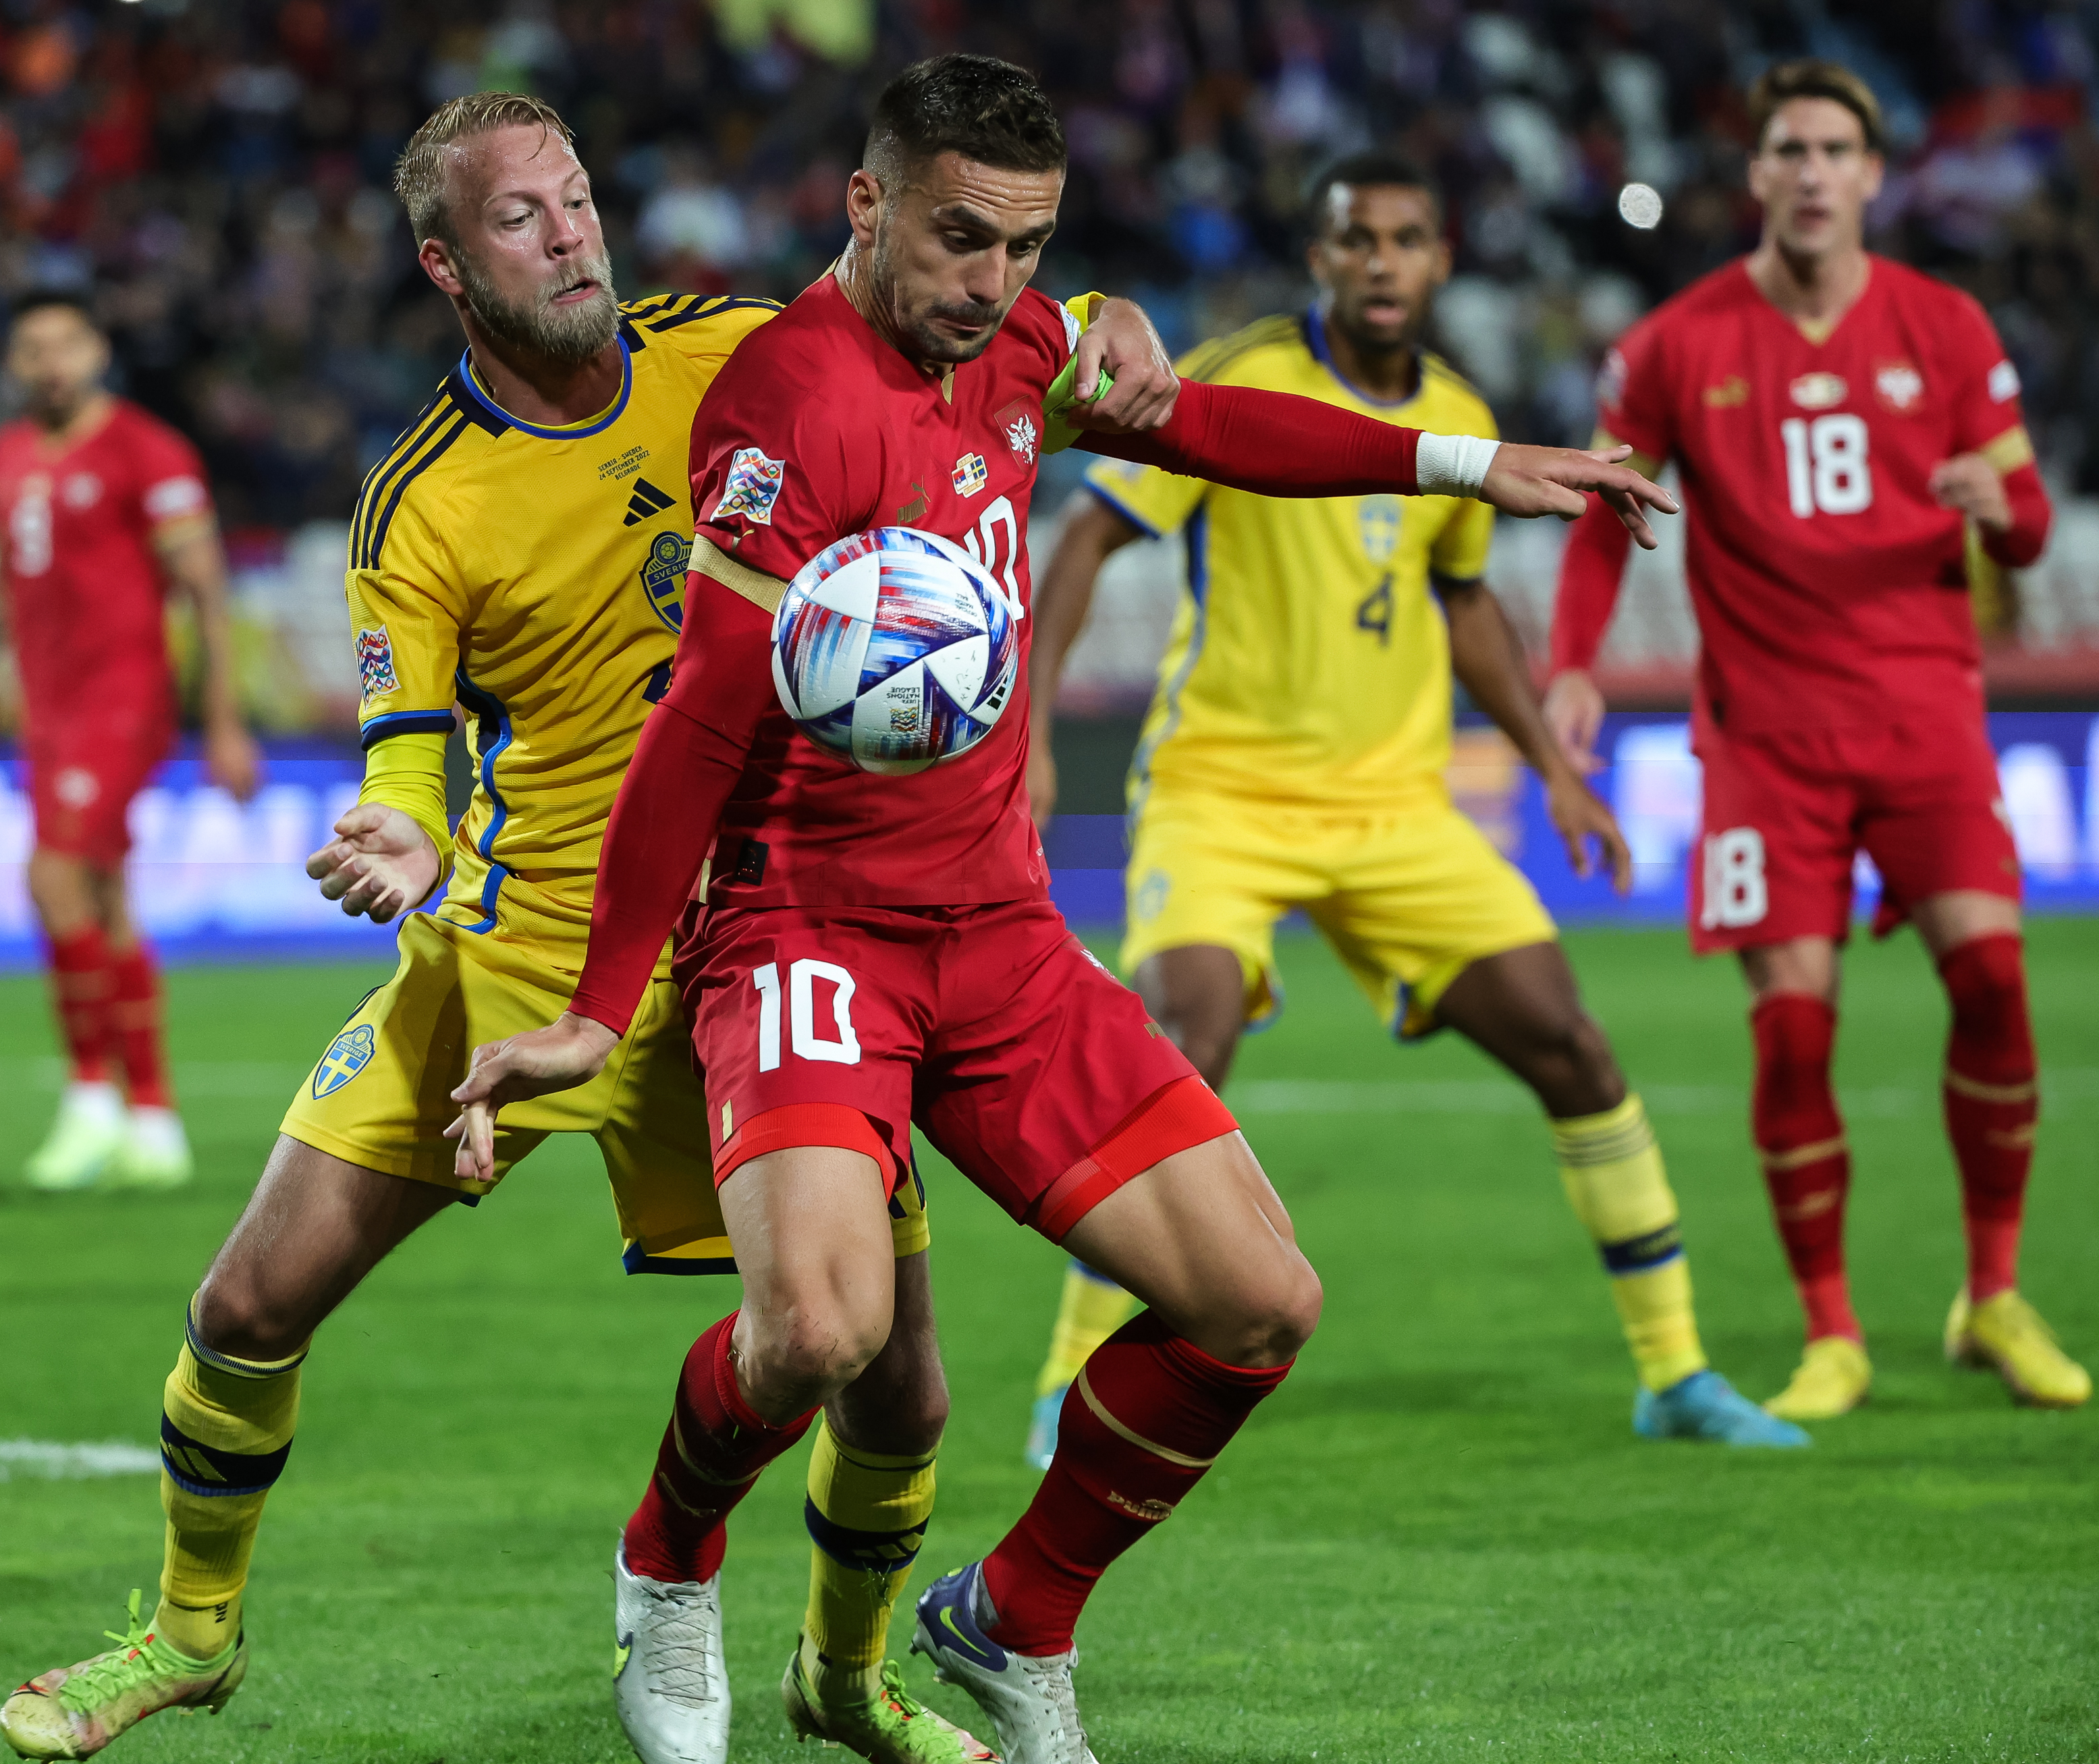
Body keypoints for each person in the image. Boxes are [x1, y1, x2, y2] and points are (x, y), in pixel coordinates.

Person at [453, 55, 1677, 1761]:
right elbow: (699, 723)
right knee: (817, 1326)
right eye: (962, 241)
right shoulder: (787, 402)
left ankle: (1013, 1614)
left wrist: (1467, 467)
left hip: (1002, 935)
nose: (995, 288)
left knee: (1261, 1302)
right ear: (866, 202)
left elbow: (1210, 431)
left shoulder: (1023, 341)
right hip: (809, 929)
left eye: (1030, 249)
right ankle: (666, 1568)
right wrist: (599, 998)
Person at [0, 91, 1179, 1764]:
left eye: (575, 202)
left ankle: (839, 1677)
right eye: (519, 219)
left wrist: (1106, 322)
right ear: (443, 262)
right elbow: (406, 735)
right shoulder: (420, 499)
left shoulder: (742, 350)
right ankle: (186, 1636)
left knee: (894, 1385)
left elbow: (979, 348)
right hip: (526, 936)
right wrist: (401, 825)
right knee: (250, 1298)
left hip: (775, 934)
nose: (569, 237)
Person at [1015, 150, 1807, 1468]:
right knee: (1177, 1043)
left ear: (1440, 259)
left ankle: (1672, 1369)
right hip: (1222, 789)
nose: (1379, 260)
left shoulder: (1457, 403)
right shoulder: (1237, 373)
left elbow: (1461, 603)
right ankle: (1061, 1381)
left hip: (1394, 805)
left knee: (1569, 1042)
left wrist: (1553, 770)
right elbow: (1089, 536)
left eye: (1403, 237)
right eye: (1353, 239)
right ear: (1319, 257)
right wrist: (1030, 731)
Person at [1544, 60, 2088, 1418]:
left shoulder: (1946, 326)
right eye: (1785, 146)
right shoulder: (1674, 344)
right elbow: (1608, 510)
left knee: (1995, 988)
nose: (1806, 169)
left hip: (1925, 722)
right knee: (1790, 1031)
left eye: (1832, 147)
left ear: (1867, 172)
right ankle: (1831, 1329)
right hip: (1763, 742)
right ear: (1756, 174)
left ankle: (1991, 1294)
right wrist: (1571, 670)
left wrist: (1995, 505)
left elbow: (2026, 521)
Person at [0, 290, 261, 1192]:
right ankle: (154, 1117)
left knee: (51, 874)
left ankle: (90, 1097)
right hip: (47, 709)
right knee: (102, 897)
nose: (50, 362)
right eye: (32, 349)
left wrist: (222, 718)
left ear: (98, 350)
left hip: (125, 698)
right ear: (12, 365)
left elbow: (209, 594)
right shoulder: (6, 454)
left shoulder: (148, 450)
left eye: (66, 343)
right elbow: (1, 586)